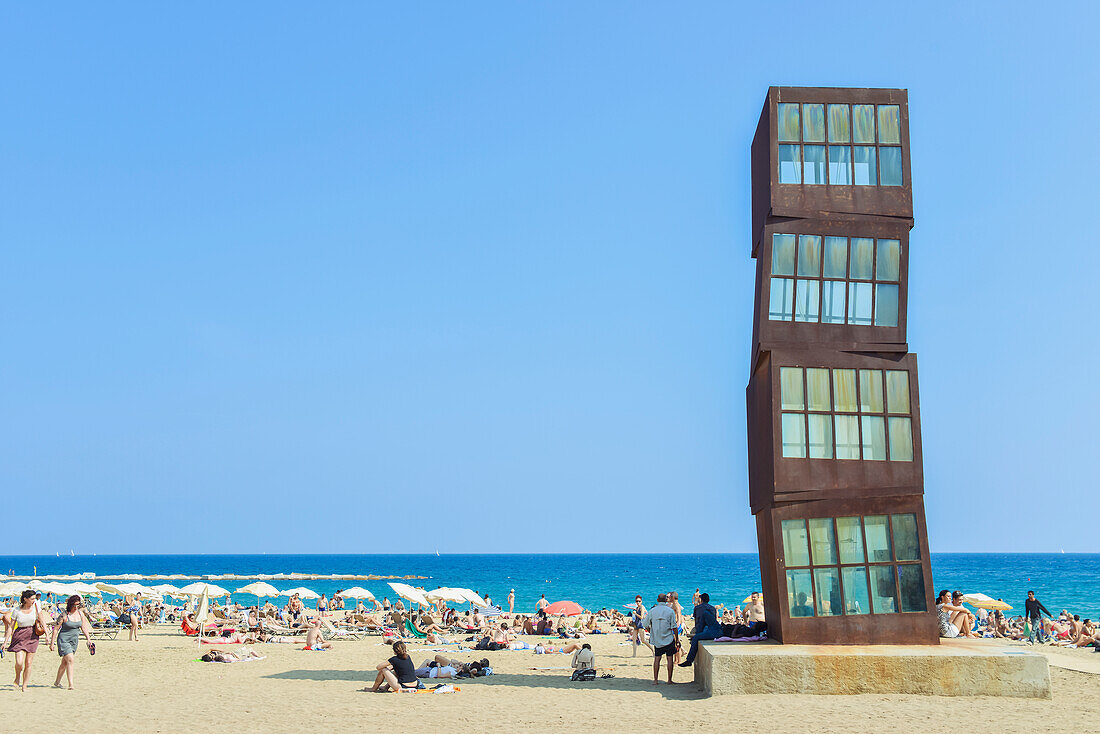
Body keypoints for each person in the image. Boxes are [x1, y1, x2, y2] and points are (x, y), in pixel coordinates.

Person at [3, 589, 53, 692]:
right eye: (32, 599)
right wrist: (5, 642)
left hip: (32, 636)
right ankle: (17, 678)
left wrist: (47, 635)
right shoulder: (17, 610)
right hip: (19, 635)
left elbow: (42, 621)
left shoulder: (36, 607)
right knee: (19, 662)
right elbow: (10, 628)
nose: (34, 600)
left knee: (29, 663)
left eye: (35, 598)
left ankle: (24, 685)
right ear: (25, 599)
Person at [48, 595, 94, 690]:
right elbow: (56, 629)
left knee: (64, 663)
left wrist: (88, 639)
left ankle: (57, 682)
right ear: (71, 604)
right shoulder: (64, 615)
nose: (77, 606)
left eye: (78, 604)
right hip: (63, 640)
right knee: (70, 659)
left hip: (74, 641)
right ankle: (71, 684)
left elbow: (84, 627)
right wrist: (52, 643)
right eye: (75, 604)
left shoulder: (80, 614)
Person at [643, 593, 678, 685]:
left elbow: (645, 624)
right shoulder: (670, 611)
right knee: (669, 659)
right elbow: (674, 626)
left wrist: (651, 631)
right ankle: (669, 680)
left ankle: (655, 680)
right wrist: (677, 639)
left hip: (657, 639)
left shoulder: (652, 611)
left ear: (657, 600)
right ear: (666, 600)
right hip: (668, 638)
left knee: (657, 659)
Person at [679, 592, 721, 667]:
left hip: (704, 629)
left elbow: (697, 621)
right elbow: (714, 620)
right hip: (711, 628)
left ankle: (689, 660)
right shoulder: (712, 608)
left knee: (695, 639)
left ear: (701, 600)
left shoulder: (697, 608)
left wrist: (697, 631)